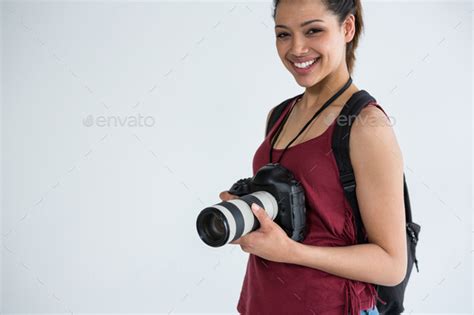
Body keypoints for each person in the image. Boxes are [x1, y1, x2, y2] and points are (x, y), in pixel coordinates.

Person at [219, 0, 407, 314]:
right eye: (283, 35)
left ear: (347, 28)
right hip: (263, 303)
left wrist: (291, 252)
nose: (297, 48)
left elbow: (391, 265)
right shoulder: (279, 115)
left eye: (313, 31)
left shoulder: (366, 125)